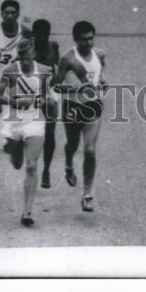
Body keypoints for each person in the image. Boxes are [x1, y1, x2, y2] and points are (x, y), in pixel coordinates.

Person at [0, 36, 54, 227]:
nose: (26, 61)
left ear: (34, 54)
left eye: (28, 57)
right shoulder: (10, 71)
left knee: (31, 166)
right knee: (17, 163)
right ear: (18, 57)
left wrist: (47, 101)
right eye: (22, 58)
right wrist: (15, 102)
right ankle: (13, 152)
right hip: (14, 121)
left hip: (35, 121)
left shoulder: (44, 71)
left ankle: (27, 211)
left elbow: (46, 95)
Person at [55, 20, 107, 212]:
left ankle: (87, 195)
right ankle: (69, 164)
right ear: (75, 40)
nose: (88, 43)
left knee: (90, 151)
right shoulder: (67, 58)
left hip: (93, 108)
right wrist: (75, 88)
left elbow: (100, 75)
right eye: (84, 40)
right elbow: (55, 85)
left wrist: (102, 83)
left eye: (91, 39)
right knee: (72, 145)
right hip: (72, 107)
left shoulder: (100, 55)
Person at [31, 19, 60, 188]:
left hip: (48, 94)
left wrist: (56, 79)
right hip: (31, 93)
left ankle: (46, 171)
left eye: (46, 36)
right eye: (39, 36)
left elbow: (59, 68)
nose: (43, 39)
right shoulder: (28, 49)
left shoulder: (54, 46)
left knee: (50, 133)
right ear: (34, 35)